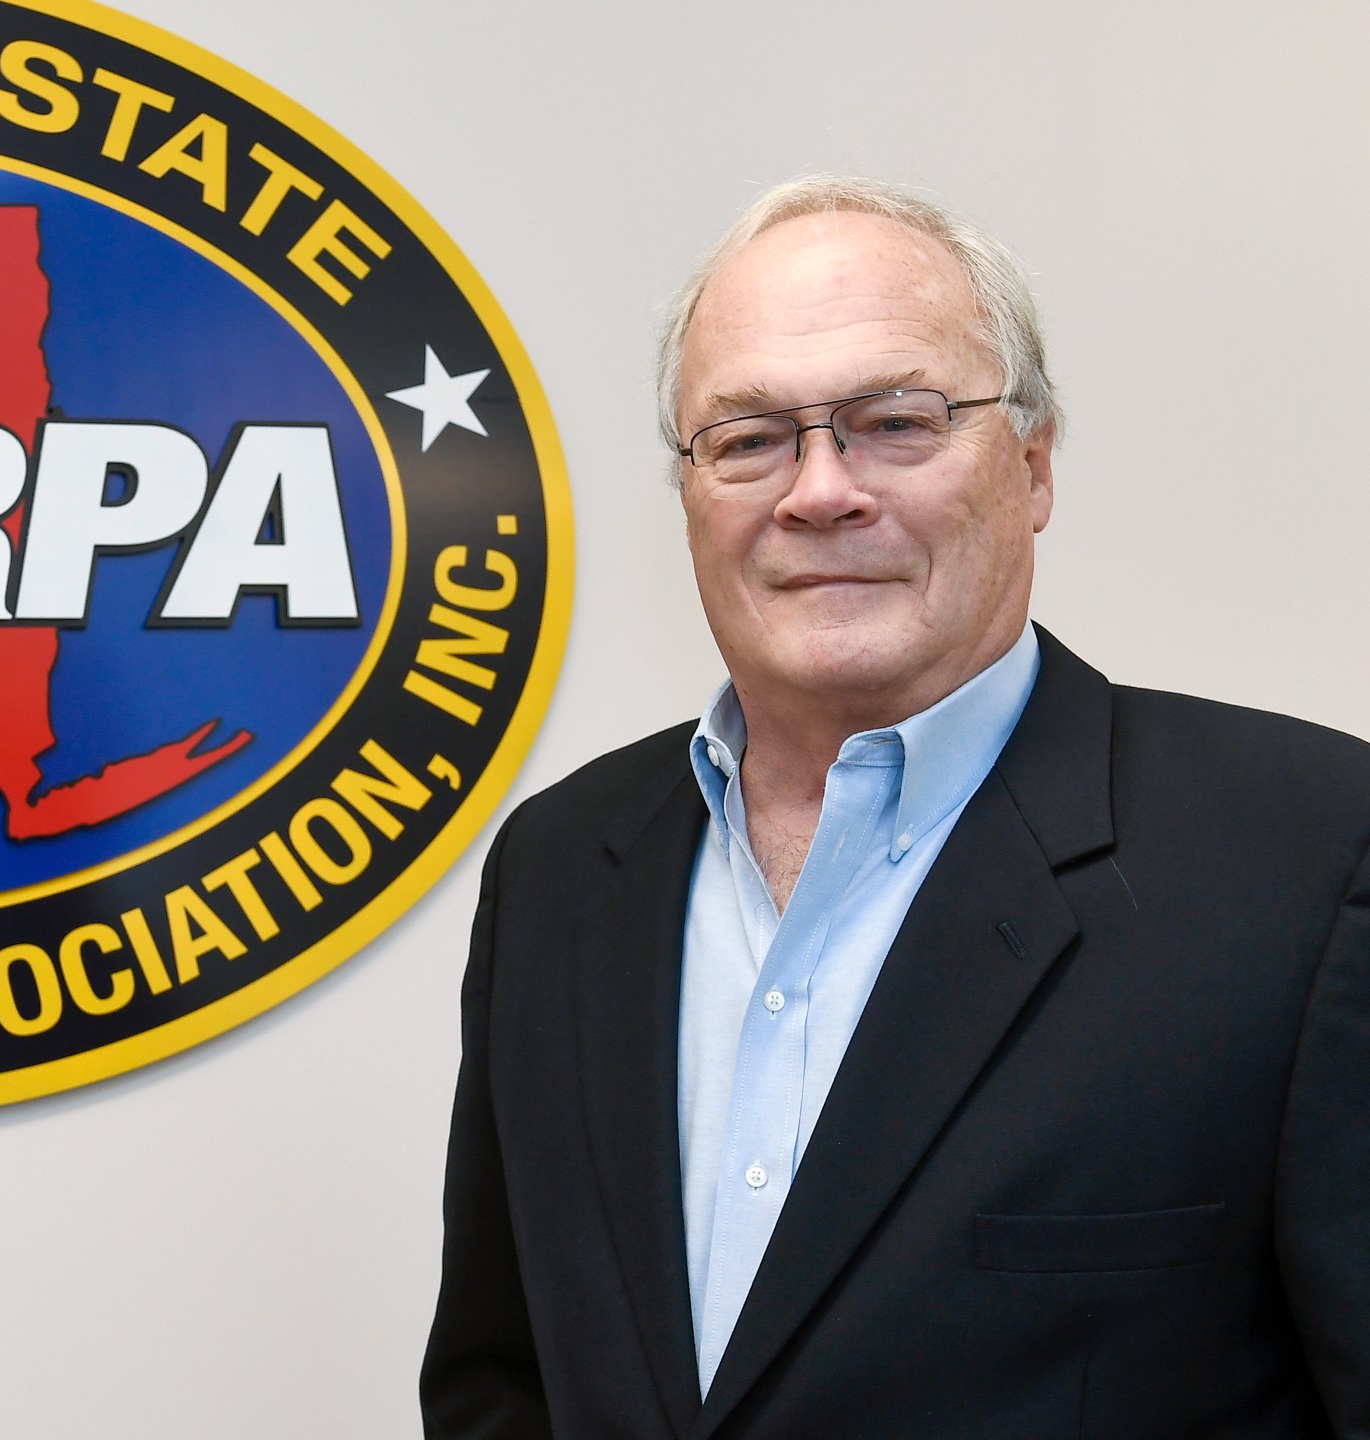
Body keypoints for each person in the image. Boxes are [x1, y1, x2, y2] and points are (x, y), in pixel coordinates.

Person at [421, 176, 1370, 1438]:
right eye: (749, 437)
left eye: (892, 422)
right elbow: (505, 1382)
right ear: (691, 494)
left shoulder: (1309, 860)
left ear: (1032, 465)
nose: (819, 491)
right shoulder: (557, 869)